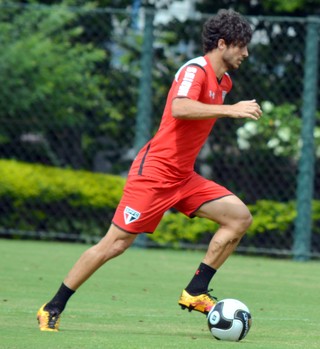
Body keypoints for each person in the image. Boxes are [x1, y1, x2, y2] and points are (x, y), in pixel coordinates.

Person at [37, 8, 262, 331]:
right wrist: (231, 111)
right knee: (114, 244)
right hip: (154, 173)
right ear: (223, 43)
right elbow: (179, 107)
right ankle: (52, 306)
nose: (246, 52)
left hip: (184, 177)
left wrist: (227, 108)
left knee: (239, 218)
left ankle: (195, 291)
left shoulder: (224, 81)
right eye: (241, 45)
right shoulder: (194, 70)